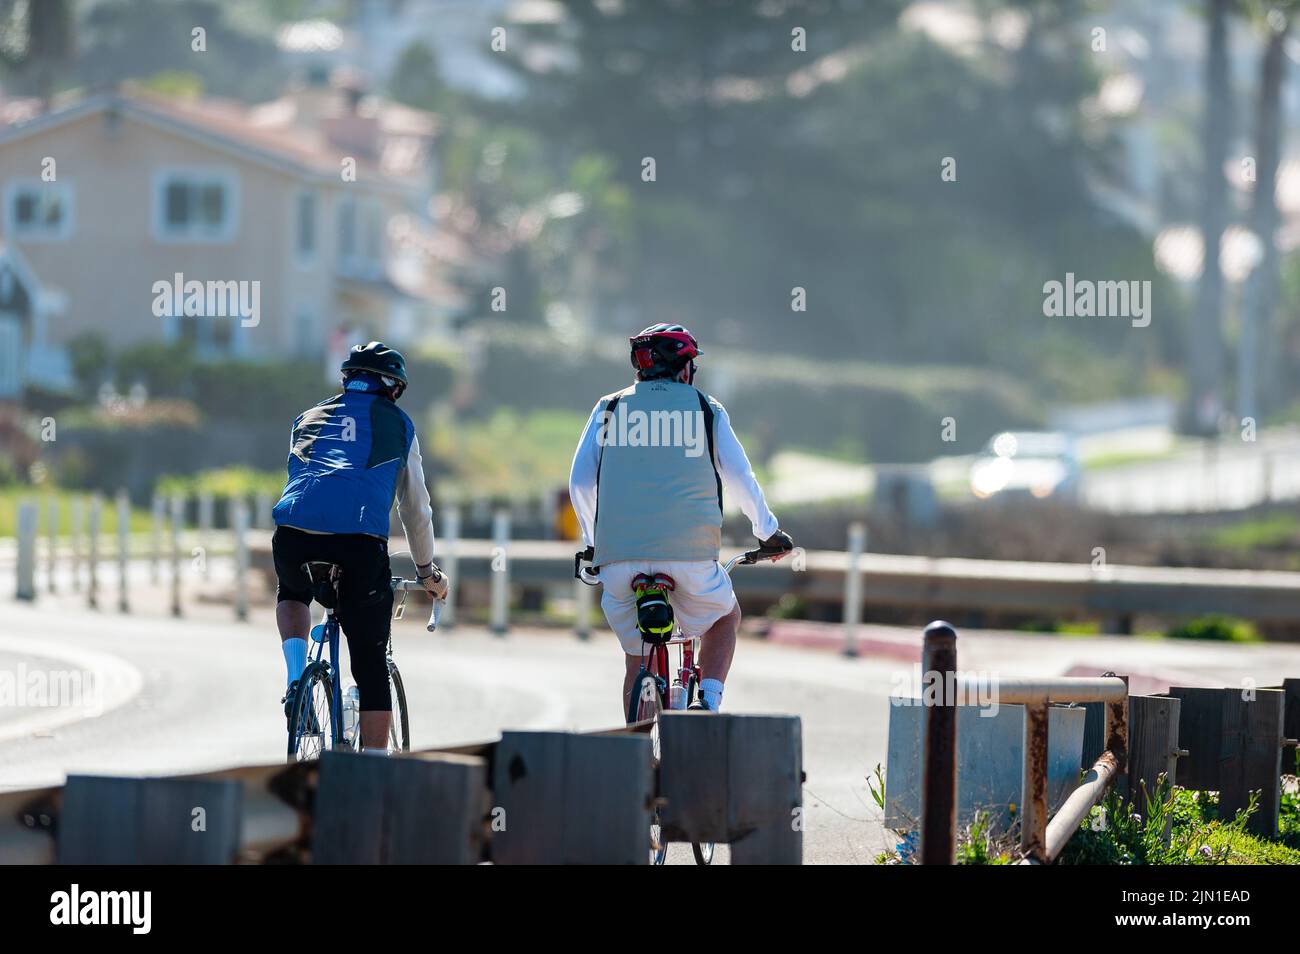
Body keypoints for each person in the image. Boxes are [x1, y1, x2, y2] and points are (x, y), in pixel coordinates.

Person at [568, 323, 793, 716]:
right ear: (685, 368)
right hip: (690, 560)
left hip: (619, 563)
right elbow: (740, 478)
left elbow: (581, 482)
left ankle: (637, 744)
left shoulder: (610, 408)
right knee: (725, 617)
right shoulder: (707, 409)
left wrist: (592, 542)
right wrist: (768, 532)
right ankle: (706, 703)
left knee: (636, 656)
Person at [271, 341, 448, 752]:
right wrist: (426, 571)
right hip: (359, 541)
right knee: (370, 667)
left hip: (293, 533)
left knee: (292, 591)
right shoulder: (400, 426)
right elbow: (416, 511)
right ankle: (372, 766)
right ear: (393, 388)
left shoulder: (307, 418)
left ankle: (297, 679)